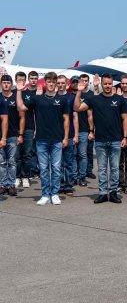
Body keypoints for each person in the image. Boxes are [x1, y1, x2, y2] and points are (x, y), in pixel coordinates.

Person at [16, 72, 69, 205]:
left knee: (56, 168)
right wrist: (18, 91)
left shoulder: (62, 100)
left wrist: (66, 137)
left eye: (53, 81)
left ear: (56, 83)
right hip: (41, 140)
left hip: (57, 139)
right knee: (44, 169)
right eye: (49, 81)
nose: (51, 84)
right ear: (45, 83)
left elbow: (66, 120)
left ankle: (55, 194)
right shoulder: (37, 98)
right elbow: (21, 107)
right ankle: (45, 194)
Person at [74, 74, 127, 204]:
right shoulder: (94, 99)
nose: (108, 86)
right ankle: (103, 193)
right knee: (102, 168)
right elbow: (77, 108)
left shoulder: (120, 100)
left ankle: (114, 192)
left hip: (116, 139)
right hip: (100, 140)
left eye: (110, 83)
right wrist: (79, 91)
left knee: (115, 168)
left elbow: (125, 119)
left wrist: (125, 137)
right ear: (102, 84)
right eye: (105, 84)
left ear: (112, 84)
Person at [0, 75, 22, 196]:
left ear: (11, 84)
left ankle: (11, 185)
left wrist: (20, 134)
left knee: (12, 161)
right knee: (2, 162)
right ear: (1, 84)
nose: (6, 85)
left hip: (13, 134)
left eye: (8, 83)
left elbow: (21, 116)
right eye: (4, 83)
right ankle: (3, 185)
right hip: (0, 136)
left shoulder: (15, 97)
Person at [56, 75, 78, 195]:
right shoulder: (52, 96)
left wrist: (76, 135)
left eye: (62, 83)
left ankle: (68, 185)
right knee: (57, 162)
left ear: (67, 84)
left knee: (68, 161)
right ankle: (59, 184)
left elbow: (75, 117)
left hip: (69, 134)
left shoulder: (71, 97)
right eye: (58, 83)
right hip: (55, 135)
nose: (60, 85)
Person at [76, 74, 95, 186]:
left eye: (86, 80)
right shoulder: (75, 94)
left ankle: (84, 174)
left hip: (85, 129)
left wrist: (92, 130)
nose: (84, 82)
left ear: (88, 82)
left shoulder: (90, 95)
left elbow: (91, 115)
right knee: (75, 154)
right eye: (82, 80)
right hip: (74, 130)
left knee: (85, 153)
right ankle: (75, 175)